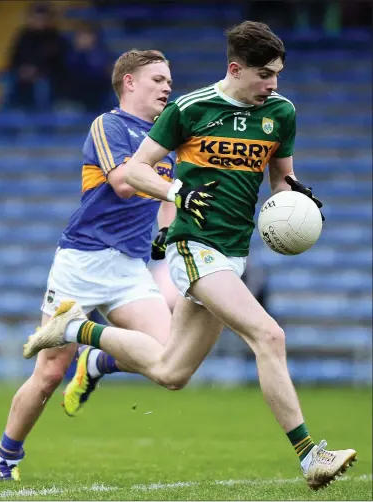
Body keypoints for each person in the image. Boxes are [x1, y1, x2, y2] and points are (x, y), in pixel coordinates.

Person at [23, 22, 357, 491]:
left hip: (234, 251)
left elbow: (282, 180)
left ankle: (74, 329)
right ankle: (310, 457)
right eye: (264, 74)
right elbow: (135, 170)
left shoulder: (281, 113)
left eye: (278, 74)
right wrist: (177, 191)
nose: (273, 84)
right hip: (193, 247)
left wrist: (298, 200)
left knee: (170, 370)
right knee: (269, 335)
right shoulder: (190, 109)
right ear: (235, 68)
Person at [0, 49, 177, 482]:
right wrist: (175, 191)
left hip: (129, 268)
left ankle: (95, 362)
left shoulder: (163, 141)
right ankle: (6, 459)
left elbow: (165, 201)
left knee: (171, 360)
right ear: (129, 82)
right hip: (83, 262)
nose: (168, 86)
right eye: (158, 79)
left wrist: (168, 232)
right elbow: (124, 184)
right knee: (51, 371)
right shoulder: (109, 125)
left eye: (169, 80)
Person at [5, 2, 67, 110]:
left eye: (42, 18)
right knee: (7, 81)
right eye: (36, 18)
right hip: (22, 73)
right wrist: (22, 69)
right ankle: (5, 116)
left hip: (46, 76)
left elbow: (57, 63)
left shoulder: (55, 37)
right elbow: (14, 58)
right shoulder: (23, 36)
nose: (39, 22)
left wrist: (36, 71)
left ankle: (43, 116)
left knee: (42, 85)